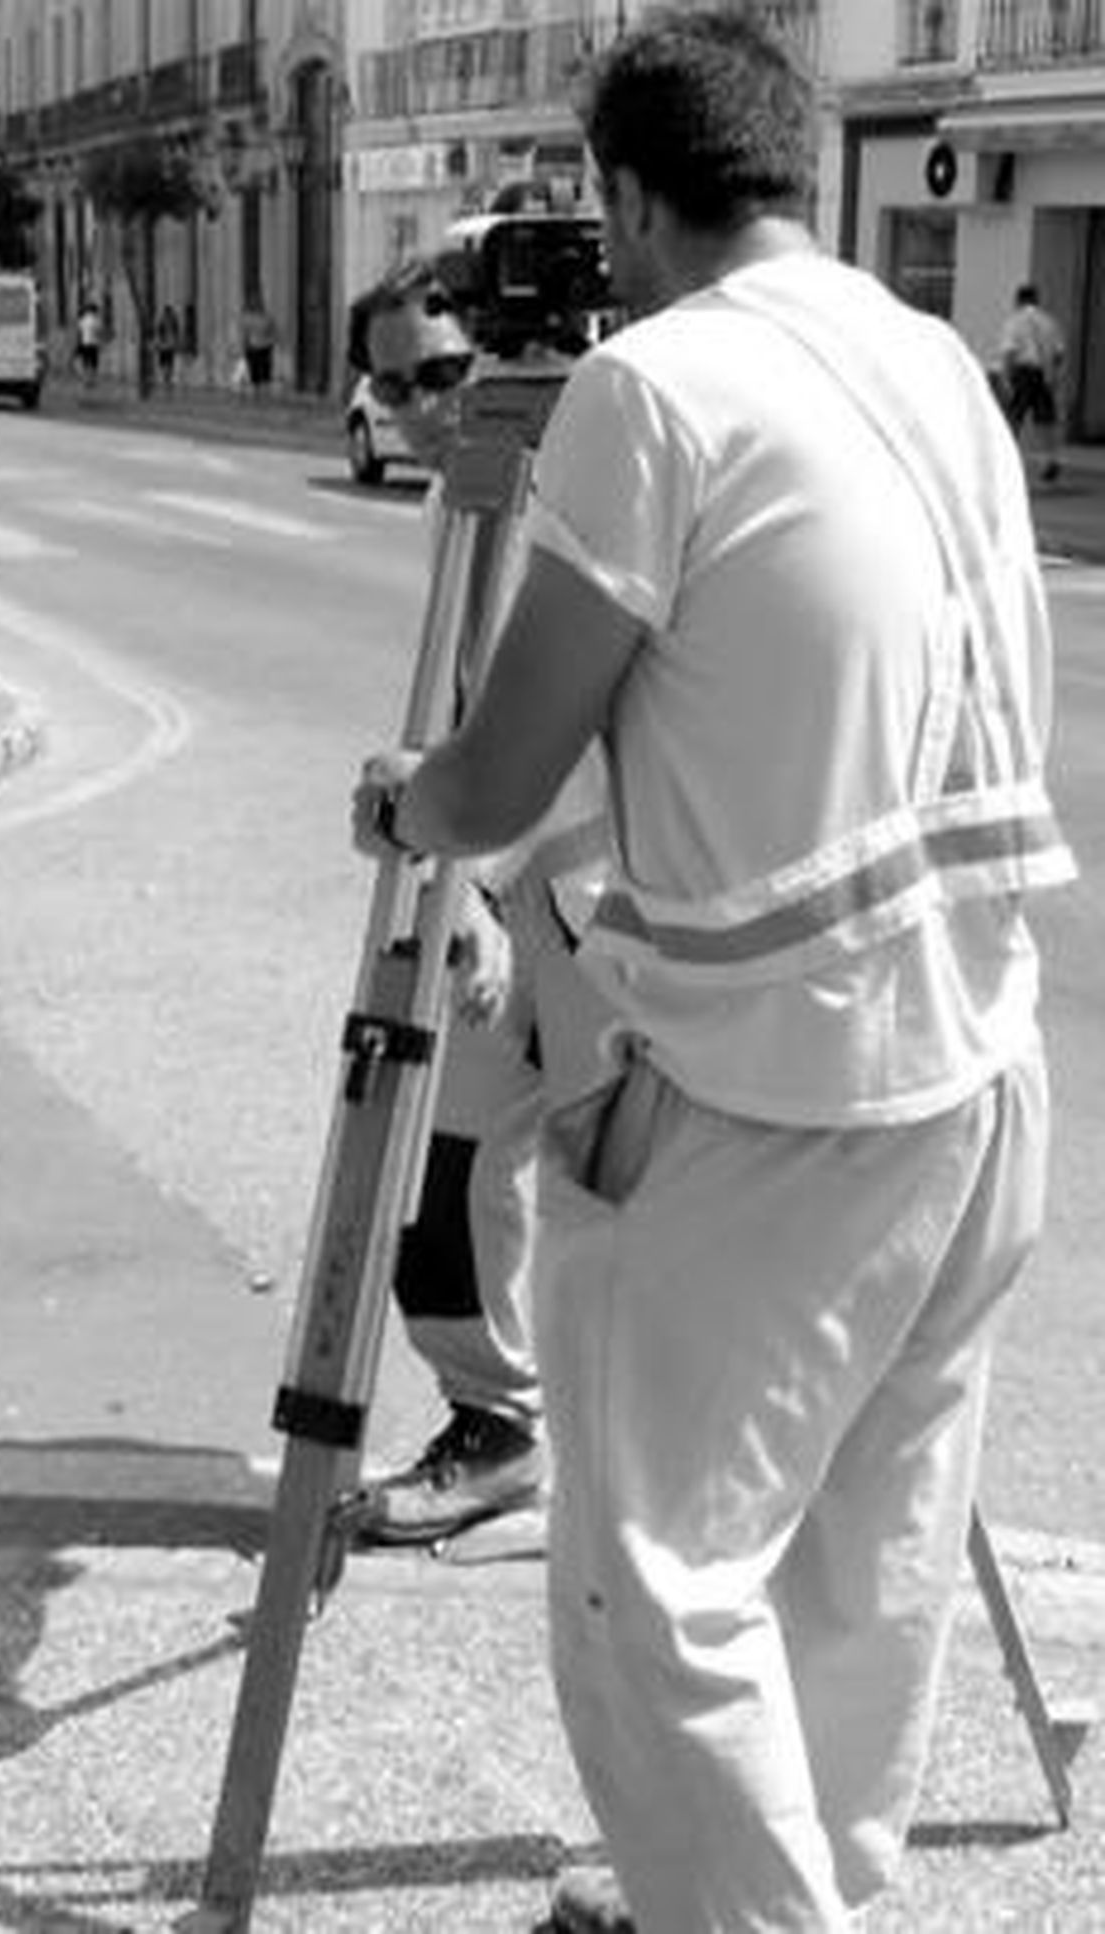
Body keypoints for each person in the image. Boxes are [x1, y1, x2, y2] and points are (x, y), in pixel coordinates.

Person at [351, 12, 1075, 1932]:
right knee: (864, 1566)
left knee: (654, 1587)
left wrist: (413, 798)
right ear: (799, 164)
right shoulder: (930, 357)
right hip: (981, 1070)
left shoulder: (654, 390)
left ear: (631, 195)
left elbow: (504, 769)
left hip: (778, 1095)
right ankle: (792, 1888)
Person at [345, 264, 616, 1546]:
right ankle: (496, 1426)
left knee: (650, 1200)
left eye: (446, 372)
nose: (423, 406)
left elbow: (571, 737)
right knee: (439, 1177)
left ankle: (663, 1468)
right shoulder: (454, 515)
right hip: (500, 885)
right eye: (395, 382)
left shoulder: (591, 498)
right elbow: (466, 716)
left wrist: (482, 881)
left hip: (603, 898)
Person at [999, 282, 1065, 484]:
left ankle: (1006, 461)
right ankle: (1051, 460)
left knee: (1014, 418)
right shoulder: (1049, 322)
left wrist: (1006, 377)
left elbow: (1009, 352)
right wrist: (1053, 375)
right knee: (1046, 420)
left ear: (1019, 300)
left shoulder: (1015, 321)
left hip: (1022, 372)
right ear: (1036, 300)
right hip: (1044, 373)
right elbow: (1059, 353)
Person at [240, 296, 276, 390]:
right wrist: (245, 345)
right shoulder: (247, 318)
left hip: (265, 346)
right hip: (253, 346)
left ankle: (264, 388)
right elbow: (245, 333)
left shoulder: (267, 317)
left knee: (265, 370)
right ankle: (257, 389)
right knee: (255, 371)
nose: (257, 306)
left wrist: (271, 341)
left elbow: (272, 330)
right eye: (254, 304)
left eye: (258, 304)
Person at [75, 297, 103, 387]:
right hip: (93, 344)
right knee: (94, 364)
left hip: (85, 343)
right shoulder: (95, 320)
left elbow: (79, 330)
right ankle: (92, 381)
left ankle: (86, 381)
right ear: (94, 311)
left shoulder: (83, 319)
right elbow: (98, 331)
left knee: (85, 363)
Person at [154, 302, 181, 389]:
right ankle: (166, 379)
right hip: (166, 345)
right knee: (166, 363)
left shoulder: (168, 321)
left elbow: (175, 332)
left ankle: (167, 379)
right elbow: (159, 333)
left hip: (167, 345)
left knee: (167, 362)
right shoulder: (168, 321)